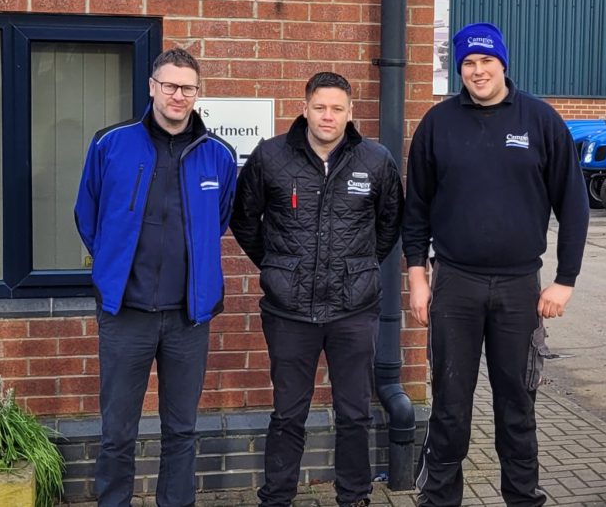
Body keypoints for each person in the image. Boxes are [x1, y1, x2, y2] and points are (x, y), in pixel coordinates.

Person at [403, 22, 590, 507]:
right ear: (459, 69)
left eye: (486, 61)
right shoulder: (438, 124)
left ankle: (522, 498)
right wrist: (418, 279)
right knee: (449, 406)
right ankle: (439, 500)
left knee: (517, 406)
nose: (478, 70)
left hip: (519, 287)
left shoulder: (540, 121)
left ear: (503, 64)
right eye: (468, 62)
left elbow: (574, 205)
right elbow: (415, 209)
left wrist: (565, 280)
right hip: (454, 285)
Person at [73, 47, 238, 507]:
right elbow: (87, 214)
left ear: (197, 92)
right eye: (169, 85)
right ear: (152, 87)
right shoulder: (111, 144)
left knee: (182, 430)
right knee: (117, 431)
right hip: (126, 314)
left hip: (188, 317)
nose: (178, 95)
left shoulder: (219, 155)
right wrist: (112, 261)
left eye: (187, 87)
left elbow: (219, 220)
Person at [230, 72, 403, 507]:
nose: (328, 116)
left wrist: (358, 268)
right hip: (288, 312)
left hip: (354, 310)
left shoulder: (376, 160)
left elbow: (389, 224)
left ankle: (354, 496)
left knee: (355, 413)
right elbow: (244, 219)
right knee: (288, 414)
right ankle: (277, 497)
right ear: (304, 107)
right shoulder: (271, 157)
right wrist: (280, 266)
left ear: (350, 112)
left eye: (337, 109)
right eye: (320, 107)